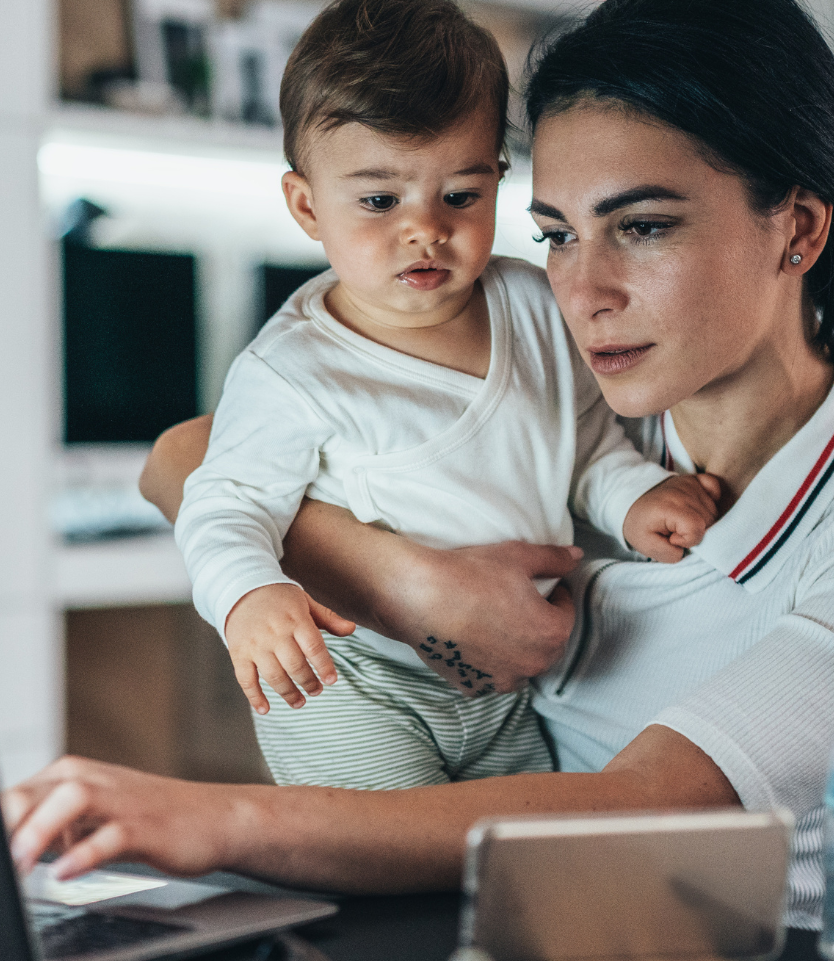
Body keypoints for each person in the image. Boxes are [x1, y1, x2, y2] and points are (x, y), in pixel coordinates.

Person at [5, 0, 834, 932]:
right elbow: (183, 456)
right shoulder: (582, 387)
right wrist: (409, 584)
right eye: (557, 236)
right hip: (488, 926)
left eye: (644, 226)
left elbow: (642, 808)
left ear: (797, 227)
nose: (583, 291)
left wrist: (214, 823)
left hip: (712, 957)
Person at [179, 0, 718, 792]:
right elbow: (223, 502)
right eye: (378, 201)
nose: (424, 230)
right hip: (357, 683)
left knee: (509, 867)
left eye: (459, 196)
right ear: (306, 207)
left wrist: (635, 499)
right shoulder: (291, 369)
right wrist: (249, 596)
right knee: (384, 863)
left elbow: (585, 445)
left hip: (504, 695)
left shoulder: (534, 306)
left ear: (499, 179)